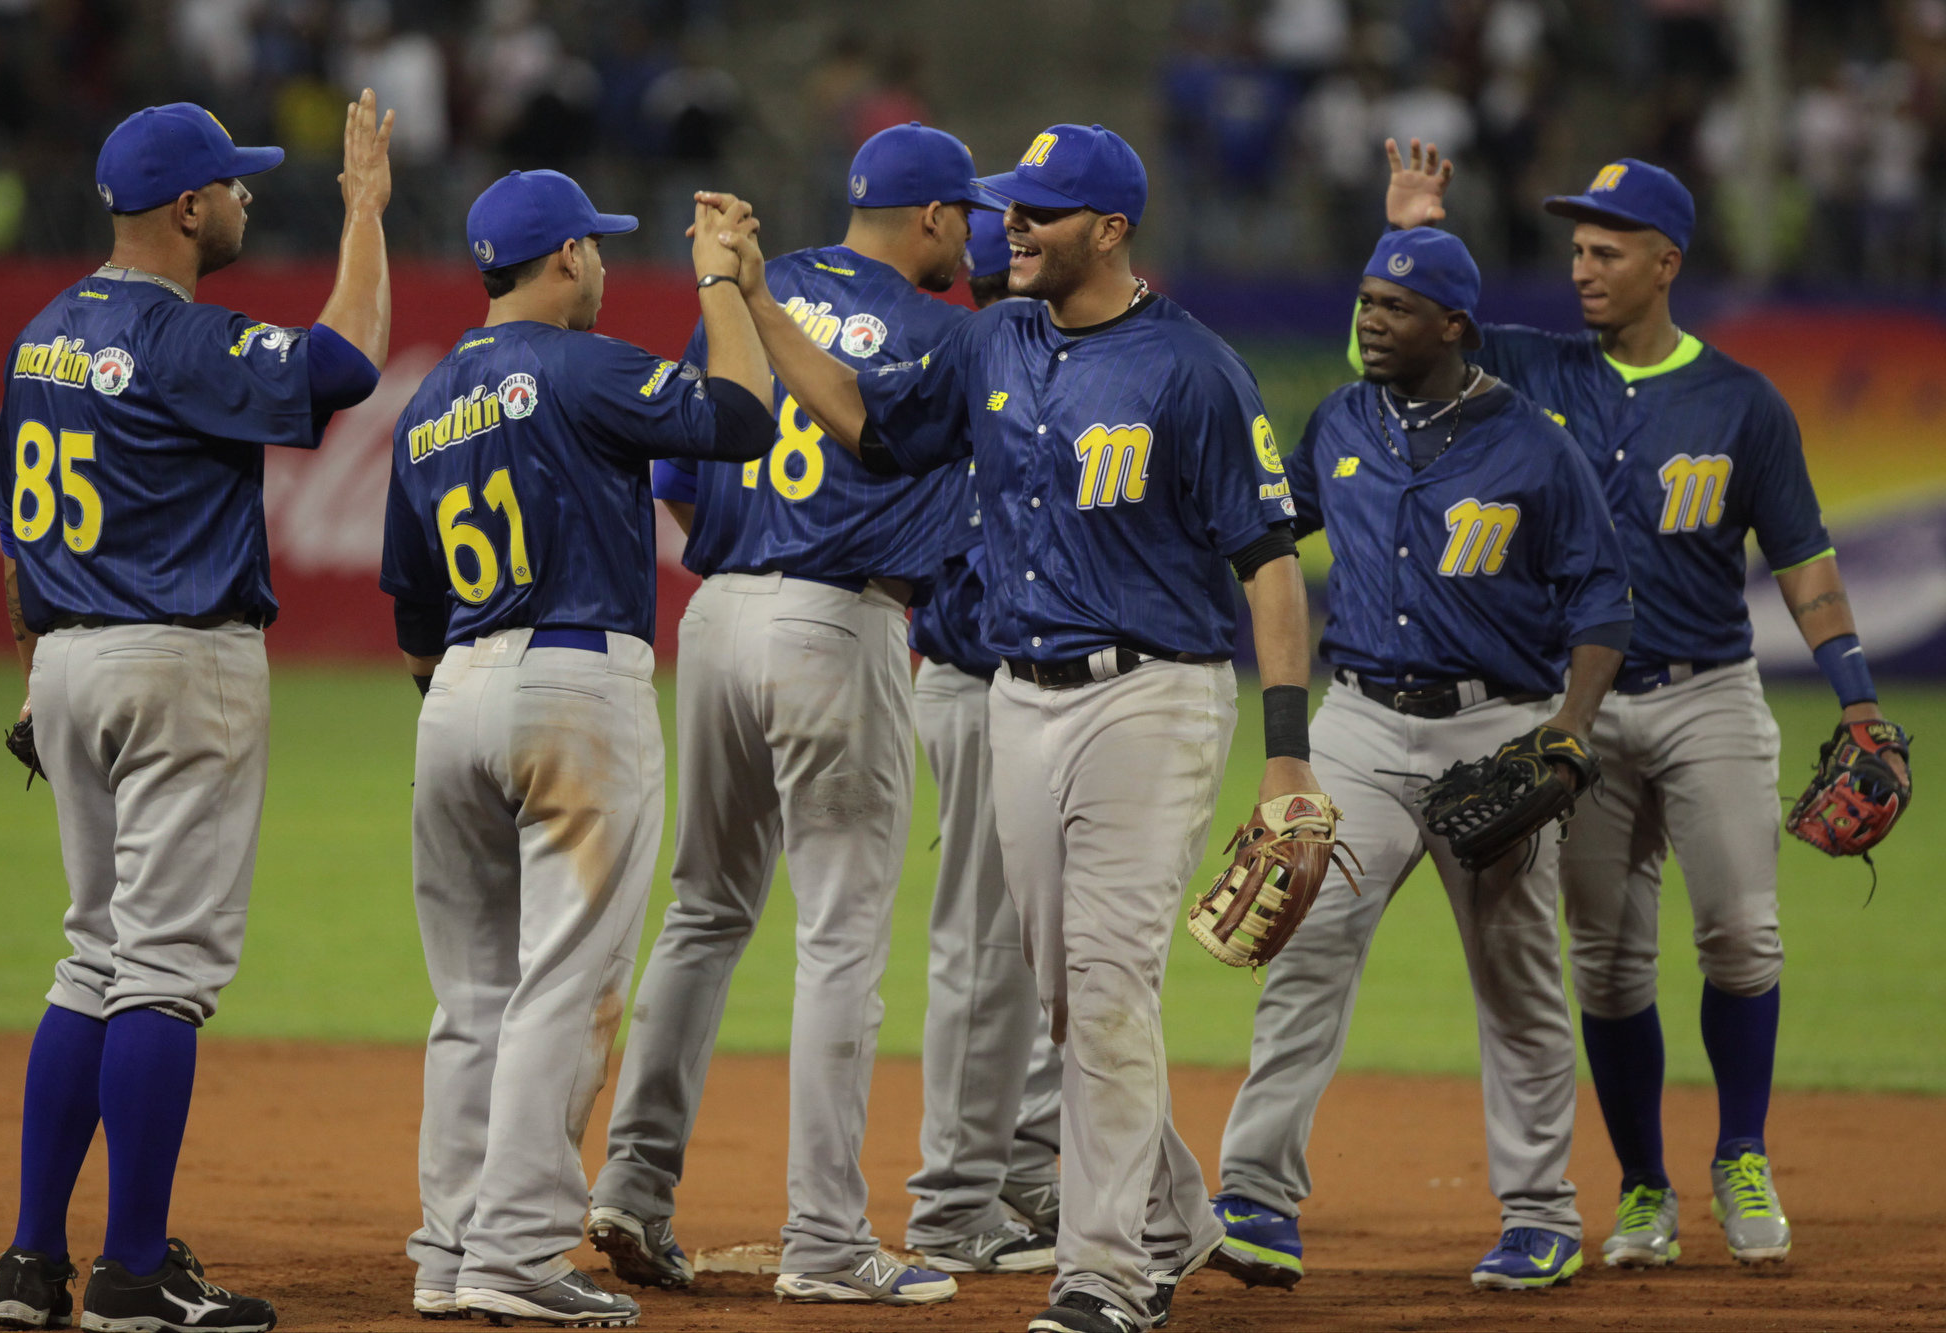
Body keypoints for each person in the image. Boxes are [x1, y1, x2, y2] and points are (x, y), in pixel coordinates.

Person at [707, 120, 1329, 1333]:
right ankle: (1174, 1213)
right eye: (1006, 207)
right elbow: (864, 424)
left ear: (1109, 229)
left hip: (1149, 692)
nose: (1011, 227)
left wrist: (1289, 752)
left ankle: (1101, 1275)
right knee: (1062, 992)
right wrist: (751, 298)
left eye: (1038, 211)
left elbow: (1266, 562)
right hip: (1016, 695)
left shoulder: (1190, 370)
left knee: (1102, 979)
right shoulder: (993, 339)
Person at [1383, 143, 1908, 1268]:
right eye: (1575, 248)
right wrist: (1411, 232)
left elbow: (1804, 566)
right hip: (1574, 716)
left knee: (1740, 935)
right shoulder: (1525, 368)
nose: (1582, 267)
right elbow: (1388, 343)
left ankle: (1741, 1152)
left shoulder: (1739, 403)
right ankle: (1639, 1189)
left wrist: (1858, 702)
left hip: (1707, 693)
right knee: (1609, 963)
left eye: (1605, 250)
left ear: (1663, 262)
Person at [0, 96, 393, 1333]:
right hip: (176, 662)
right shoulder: (176, 338)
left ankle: (29, 1262)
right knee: (161, 970)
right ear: (186, 207)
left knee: (90, 952)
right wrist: (366, 210)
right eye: (235, 181)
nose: (248, 197)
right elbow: (349, 360)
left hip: (63, 659)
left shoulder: (47, 332)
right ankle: (133, 1271)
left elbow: (11, 522)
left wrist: (32, 668)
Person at [586, 121, 992, 1309]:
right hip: (840, 618)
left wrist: (745, 579)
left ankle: (629, 1183)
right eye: (964, 215)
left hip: (715, 615)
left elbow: (674, 470)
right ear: (928, 216)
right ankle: (824, 1236)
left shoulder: (748, 293)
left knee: (704, 913)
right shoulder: (944, 334)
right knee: (840, 941)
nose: (970, 238)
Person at [379, 170, 775, 1327]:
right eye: (592, 248)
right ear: (560, 259)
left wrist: (464, 699)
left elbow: (409, 600)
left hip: (453, 687)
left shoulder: (427, 398)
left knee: (469, 998)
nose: (600, 264)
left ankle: (449, 1249)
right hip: (572, 682)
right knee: (566, 982)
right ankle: (511, 1253)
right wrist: (719, 283)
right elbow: (741, 422)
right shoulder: (583, 364)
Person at [1208, 226, 1632, 1293]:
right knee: (1304, 944)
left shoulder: (1534, 443)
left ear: (1452, 326)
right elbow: (1270, 533)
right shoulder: (1342, 416)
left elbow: (1601, 600)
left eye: (1393, 307)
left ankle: (1539, 1211)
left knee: (1516, 972)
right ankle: (1254, 1194)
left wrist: (1566, 729)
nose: (1368, 320)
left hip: (1493, 726)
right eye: (1363, 301)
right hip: (1354, 719)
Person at [901, 205, 1065, 1275]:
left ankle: (1025, 1157)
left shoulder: (1044, 359)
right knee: (983, 945)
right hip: (973, 677)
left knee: (1038, 943)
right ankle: (958, 1193)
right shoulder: (965, 355)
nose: (1012, 240)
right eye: (1005, 226)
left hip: (1021, 683)